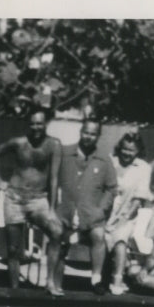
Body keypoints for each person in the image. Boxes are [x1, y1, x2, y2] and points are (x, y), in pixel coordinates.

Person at [0, 107, 63, 294]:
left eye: (40, 123)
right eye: (32, 124)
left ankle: (50, 282)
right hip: (14, 198)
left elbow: (54, 178)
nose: (36, 127)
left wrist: (52, 209)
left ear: (46, 123)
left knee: (56, 232)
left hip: (38, 199)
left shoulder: (54, 145)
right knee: (13, 248)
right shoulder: (18, 142)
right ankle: (15, 289)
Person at [56, 117, 118, 295]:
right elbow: (52, 179)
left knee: (98, 235)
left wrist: (100, 210)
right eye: (86, 132)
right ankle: (56, 282)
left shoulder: (104, 159)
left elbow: (112, 189)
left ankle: (96, 280)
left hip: (91, 215)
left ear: (98, 136)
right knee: (58, 237)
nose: (88, 137)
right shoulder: (65, 153)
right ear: (80, 132)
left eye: (93, 134)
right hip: (65, 212)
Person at [105, 131, 153, 295]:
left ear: (138, 151)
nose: (126, 153)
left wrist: (122, 219)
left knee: (120, 238)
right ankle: (100, 278)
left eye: (131, 150)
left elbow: (139, 199)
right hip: (106, 211)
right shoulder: (110, 161)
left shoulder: (144, 168)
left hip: (128, 215)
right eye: (124, 149)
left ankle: (117, 280)